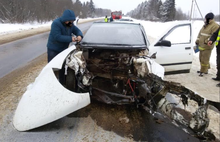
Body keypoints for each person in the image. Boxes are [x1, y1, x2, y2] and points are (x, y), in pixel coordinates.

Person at [47, 9, 83, 85]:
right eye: (69, 21)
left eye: (72, 21)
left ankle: (62, 83)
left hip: (63, 50)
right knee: (52, 68)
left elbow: (77, 31)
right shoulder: (56, 23)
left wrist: (79, 35)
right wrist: (71, 39)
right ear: (64, 20)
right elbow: (57, 37)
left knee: (62, 67)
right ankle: (51, 84)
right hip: (53, 49)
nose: (70, 23)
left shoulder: (70, 25)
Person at [195, 12, 219, 77]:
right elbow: (200, 33)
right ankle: (205, 69)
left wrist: (206, 41)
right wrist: (197, 40)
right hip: (201, 45)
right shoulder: (205, 25)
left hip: (207, 45)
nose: (205, 20)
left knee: (205, 59)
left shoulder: (215, 26)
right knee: (201, 58)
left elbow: (214, 36)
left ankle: (203, 71)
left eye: (206, 18)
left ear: (209, 19)